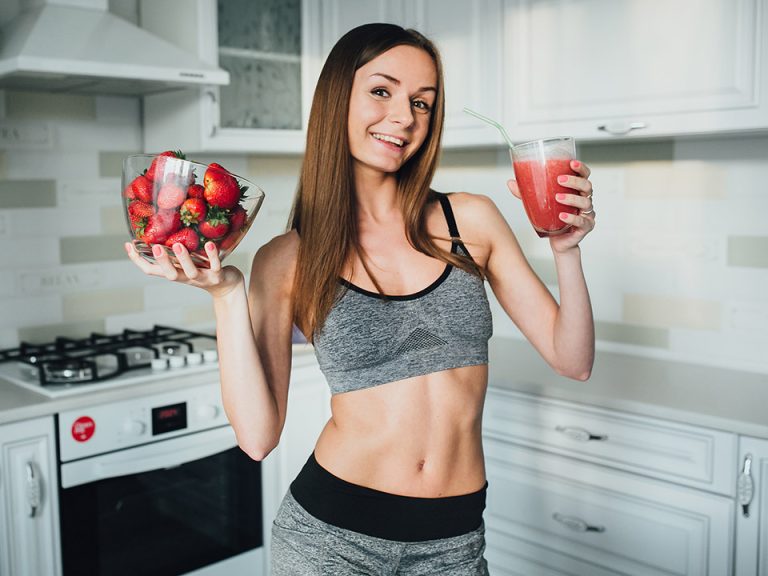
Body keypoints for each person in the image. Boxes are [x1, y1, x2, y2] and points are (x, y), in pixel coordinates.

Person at [125, 22, 595, 576]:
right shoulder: (287, 257)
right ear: (337, 99)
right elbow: (257, 438)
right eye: (382, 91)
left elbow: (573, 360)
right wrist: (227, 293)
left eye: (423, 102)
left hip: (455, 543)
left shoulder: (470, 219)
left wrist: (567, 251)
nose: (404, 116)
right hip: (331, 541)